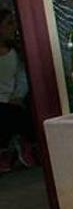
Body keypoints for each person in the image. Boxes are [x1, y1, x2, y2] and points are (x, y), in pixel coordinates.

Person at [0, 9, 35, 172]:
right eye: (9, 23)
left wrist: (17, 96)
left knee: (16, 114)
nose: (14, 27)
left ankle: (18, 146)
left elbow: (22, 79)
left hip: (10, 103)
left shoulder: (17, 52)